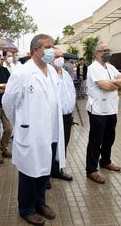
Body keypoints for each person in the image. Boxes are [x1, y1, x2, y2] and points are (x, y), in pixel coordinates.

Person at [2, 34, 66, 226]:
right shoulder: (22, 73)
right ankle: (26, 209)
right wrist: (21, 122)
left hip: (51, 130)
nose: (51, 50)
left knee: (44, 170)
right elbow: (8, 103)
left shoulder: (52, 71)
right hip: (31, 130)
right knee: (30, 171)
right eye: (47, 47)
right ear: (35, 50)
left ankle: (40, 203)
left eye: (52, 46)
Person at [85, 42, 121, 184]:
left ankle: (105, 161)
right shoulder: (93, 68)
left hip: (111, 108)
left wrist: (112, 82)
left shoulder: (110, 66)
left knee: (109, 137)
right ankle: (91, 170)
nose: (107, 52)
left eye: (108, 49)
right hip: (97, 109)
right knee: (96, 140)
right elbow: (106, 86)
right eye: (103, 50)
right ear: (96, 53)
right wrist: (116, 83)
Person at [50, 48, 75, 182]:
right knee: (51, 144)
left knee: (64, 142)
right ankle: (46, 173)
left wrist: (72, 110)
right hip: (53, 116)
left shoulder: (65, 73)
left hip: (67, 115)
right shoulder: (48, 73)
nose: (60, 59)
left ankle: (58, 169)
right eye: (56, 56)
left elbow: (71, 92)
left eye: (61, 56)